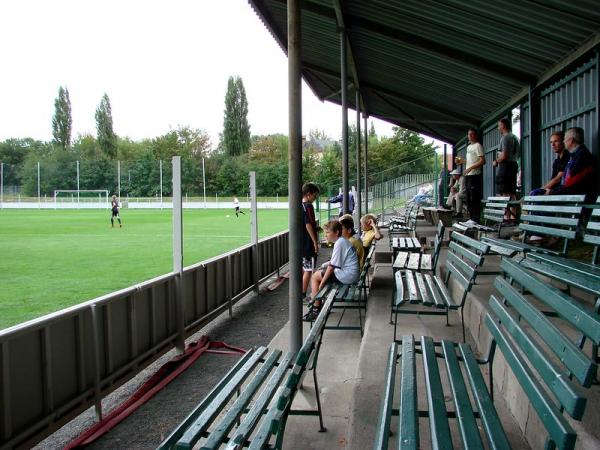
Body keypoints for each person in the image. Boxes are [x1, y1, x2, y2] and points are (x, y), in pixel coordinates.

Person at [303, 219, 359, 321]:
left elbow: (332, 267)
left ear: (337, 232)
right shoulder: (342, 241)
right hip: (350, 274)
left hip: (347, 276)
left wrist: (321, 283)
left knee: (315, 277)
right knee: (319, 273)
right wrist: (323, 266)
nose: (326, 235)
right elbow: (334, 262)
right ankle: (318, 305)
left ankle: (316, 309)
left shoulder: (340, 243)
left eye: (328, 232)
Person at [546, 127, 597, 203]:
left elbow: (570, 184)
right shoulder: (575, 155)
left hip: (579, 201)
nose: (564, 141)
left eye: (565, 139)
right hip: (573, 199)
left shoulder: (582, 156)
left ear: (571, 140)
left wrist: (551, 192)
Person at [494, 118, 520, 220]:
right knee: (512, 192)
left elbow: (504, 156)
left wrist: (496, 161)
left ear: (503, 126)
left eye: (499, 126)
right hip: (513, 165)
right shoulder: (515, 137)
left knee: (504, 192)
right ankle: (514, 216)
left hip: (505, 167)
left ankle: (506, 217)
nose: (498, 128)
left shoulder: (505, 138)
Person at [529, 131, 569, 195]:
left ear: (563, 141)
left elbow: (558, 179)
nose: (553, 145)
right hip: (555, 192)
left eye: (556, 141)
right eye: (551, 142)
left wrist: (541, 190)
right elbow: (553, 180)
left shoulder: (568, 157)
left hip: (563, 192)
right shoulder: (556, 162)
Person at [301, 182, 320, 302]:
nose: (315, 198)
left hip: (300, 242)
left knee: (303, 269)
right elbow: (308, 224)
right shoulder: (308, 206)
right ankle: (302, 295)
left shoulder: (300, 205)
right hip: (307, 243)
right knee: (308, 270)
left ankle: (300, 294)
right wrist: (315, 242)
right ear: (309, 194)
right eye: (315, 195)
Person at [463, 128, 485, 224]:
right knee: (468, 197)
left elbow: (482, 160)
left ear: (476, 136)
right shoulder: (468, 147)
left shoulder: (478, 146)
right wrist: (461, 162)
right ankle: (471, 217)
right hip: (468, 175)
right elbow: (470, 161)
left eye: (472, 134)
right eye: (468, 134)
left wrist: (471, 168)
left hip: (475, 175)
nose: (469, 136)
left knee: (474, 197)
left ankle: (476, 218)